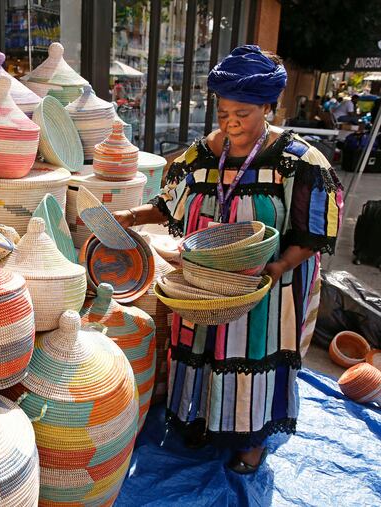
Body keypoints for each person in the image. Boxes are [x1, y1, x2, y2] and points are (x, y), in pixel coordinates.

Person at [114, 45, 343, 473]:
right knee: (200, 348)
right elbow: (169, 204)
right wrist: (128, 215)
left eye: (243, 113)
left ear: (269, 108)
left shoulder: (297, 162)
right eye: (223, 112)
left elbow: (315, 232)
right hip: (205, 284)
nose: (230, 122)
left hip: (267, 289)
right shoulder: (204, 155)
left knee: (250, 354)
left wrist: (275, 269)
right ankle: (202, 419)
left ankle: (250, 441)